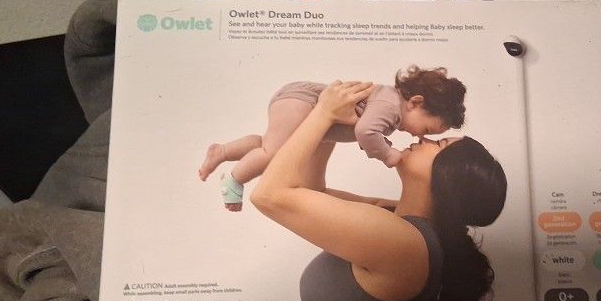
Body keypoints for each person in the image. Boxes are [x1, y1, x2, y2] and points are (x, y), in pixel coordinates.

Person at [250, 80, 507, 301]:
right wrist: (333, 123)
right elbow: (311, 191)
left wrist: (324, 113)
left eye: (439, 143)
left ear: (449, 178)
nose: (423, 139)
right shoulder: (394, 219)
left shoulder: (404, 243)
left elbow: (269, 195)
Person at [198, 66, 468, 210]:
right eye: (427, 130)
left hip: (299, 99)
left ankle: (223, 151)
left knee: (270, 146)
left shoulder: (391, 107)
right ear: (416, 102)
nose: (420, 136)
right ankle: (234, 180)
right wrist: (387, 154)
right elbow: (365, 132)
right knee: (273, 154)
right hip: (304, 101)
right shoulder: (390, 106)